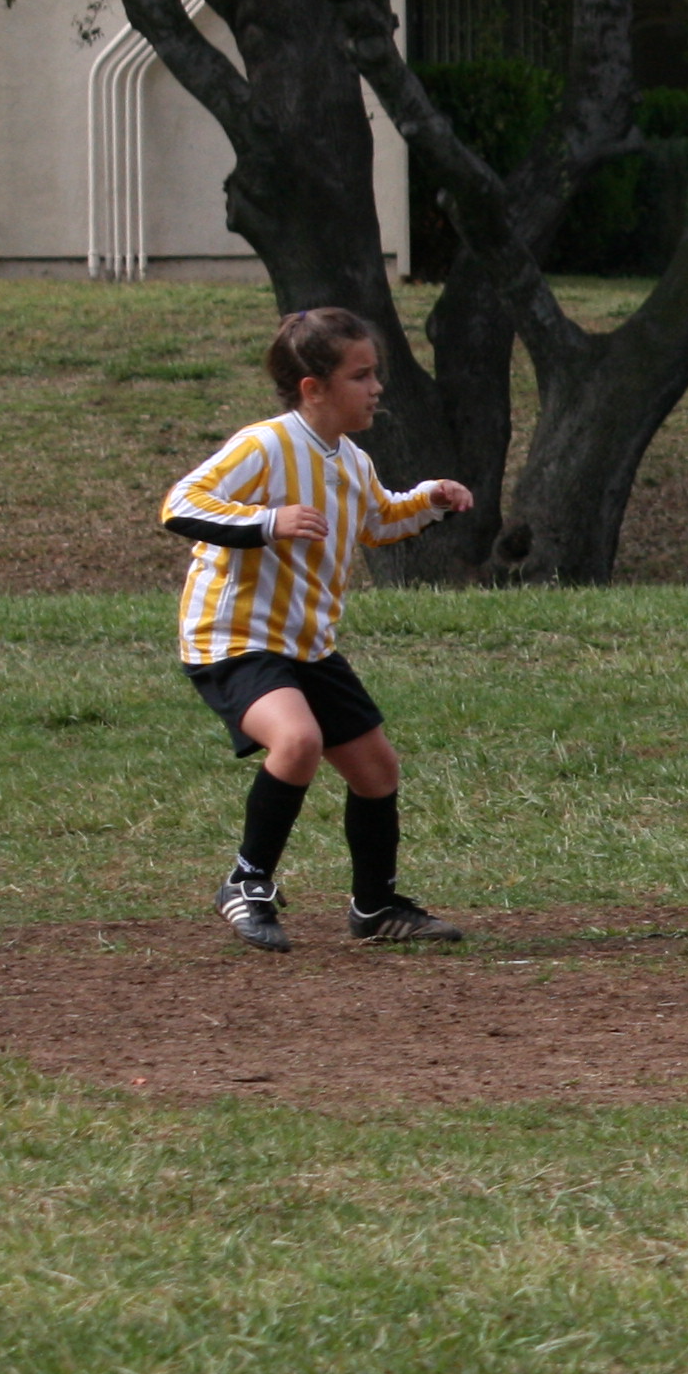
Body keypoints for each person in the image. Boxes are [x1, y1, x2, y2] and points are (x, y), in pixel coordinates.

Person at [165, 308, 472, 950]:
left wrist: (429, 499)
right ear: (314, 388)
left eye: (375, 373)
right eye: (361, 375)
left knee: (376, 769)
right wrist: (266, 522)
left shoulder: (351, 460)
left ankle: (375, 907)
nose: (376, 387)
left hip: (307, 644)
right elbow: (181, 503)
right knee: (298, 740)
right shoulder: (266, 445)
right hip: (234, 637)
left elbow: (378, 521)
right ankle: (246, 883)